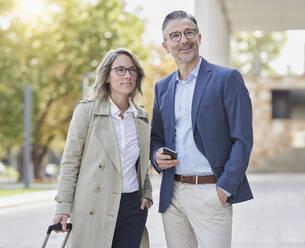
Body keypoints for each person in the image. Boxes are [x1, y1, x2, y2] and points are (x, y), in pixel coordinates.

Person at [150, 11, 254, 248]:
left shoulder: (227, 78)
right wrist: (156, 156)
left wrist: (226, 186)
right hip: (173, 194)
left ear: (199, 37)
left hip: (211, 192)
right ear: (166, 46)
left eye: (189, 33)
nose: (183, 40)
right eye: (175, 36)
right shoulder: (162, 87)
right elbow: (156, 137)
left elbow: (243, 138)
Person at [53, 48, 152, 248]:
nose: (128, 75)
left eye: (132, 70)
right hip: (94, 204)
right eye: (120, 70)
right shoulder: (87, 111)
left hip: (132, 207)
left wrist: (147, 193)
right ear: (107, 76)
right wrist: (63, 206)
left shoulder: (141, 116)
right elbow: (71, 161)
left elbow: (142, 163)